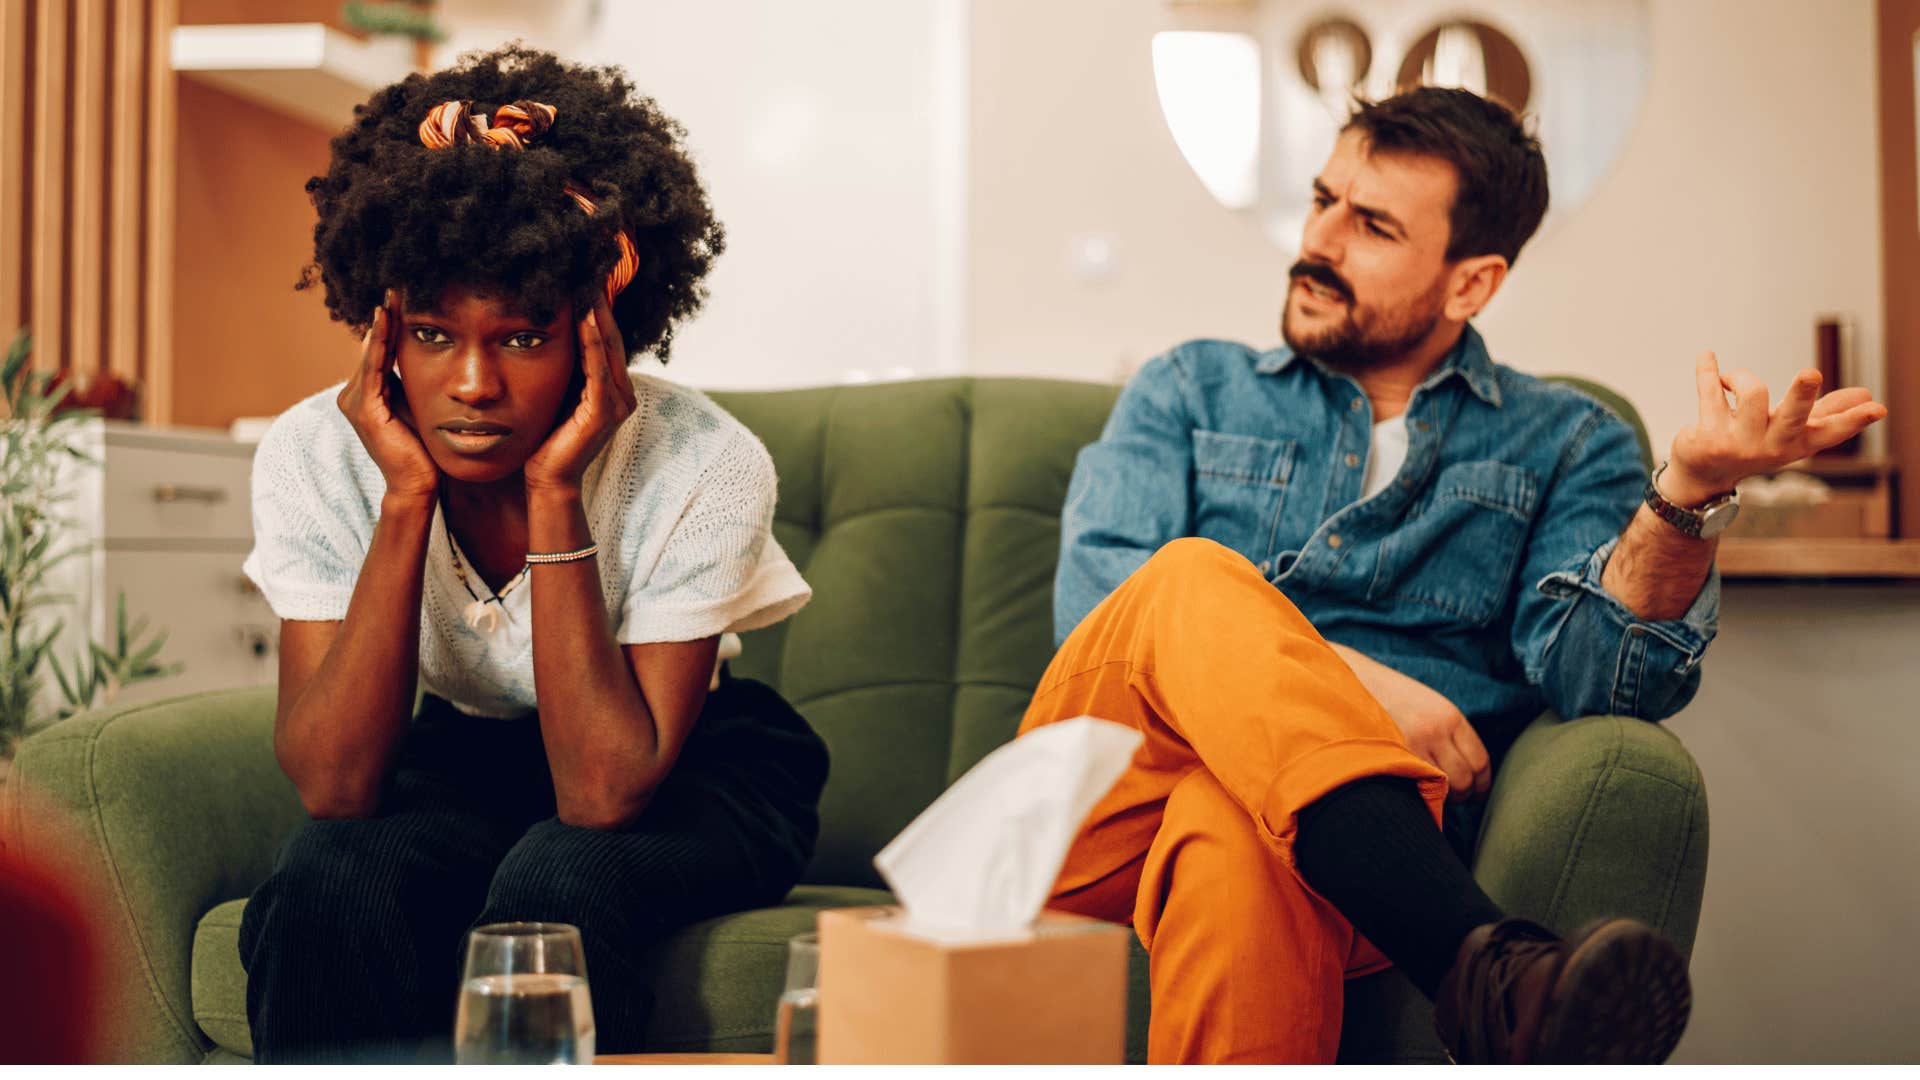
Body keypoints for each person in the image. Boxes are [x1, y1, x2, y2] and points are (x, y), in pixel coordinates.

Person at [1018, 86, 1887, 1064]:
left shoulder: (1565, 441)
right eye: (1323, 201)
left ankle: (1479, 967)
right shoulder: (1187, 389)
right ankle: (1479, 960)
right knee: (1186, 576)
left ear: (1471, 285)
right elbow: (1106, 614)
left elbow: (1605, 682)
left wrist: (1685, 495)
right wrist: (1361, 684)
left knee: (1236, 833)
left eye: (1373, 226)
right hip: (1106, 804)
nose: (1320, 241)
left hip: (1341, 851)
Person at [236, 45, 828, 1063]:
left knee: (559, 886)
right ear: (382, 332)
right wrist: (405, 497)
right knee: (326, 881)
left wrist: (558, 492)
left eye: (520, 338)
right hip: (471, 754)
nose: (470, 383)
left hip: (689, 766)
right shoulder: (315, 455)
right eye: (431, 335)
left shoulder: (707, 463)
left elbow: (604, 794)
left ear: (600, 331)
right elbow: (334, 787)